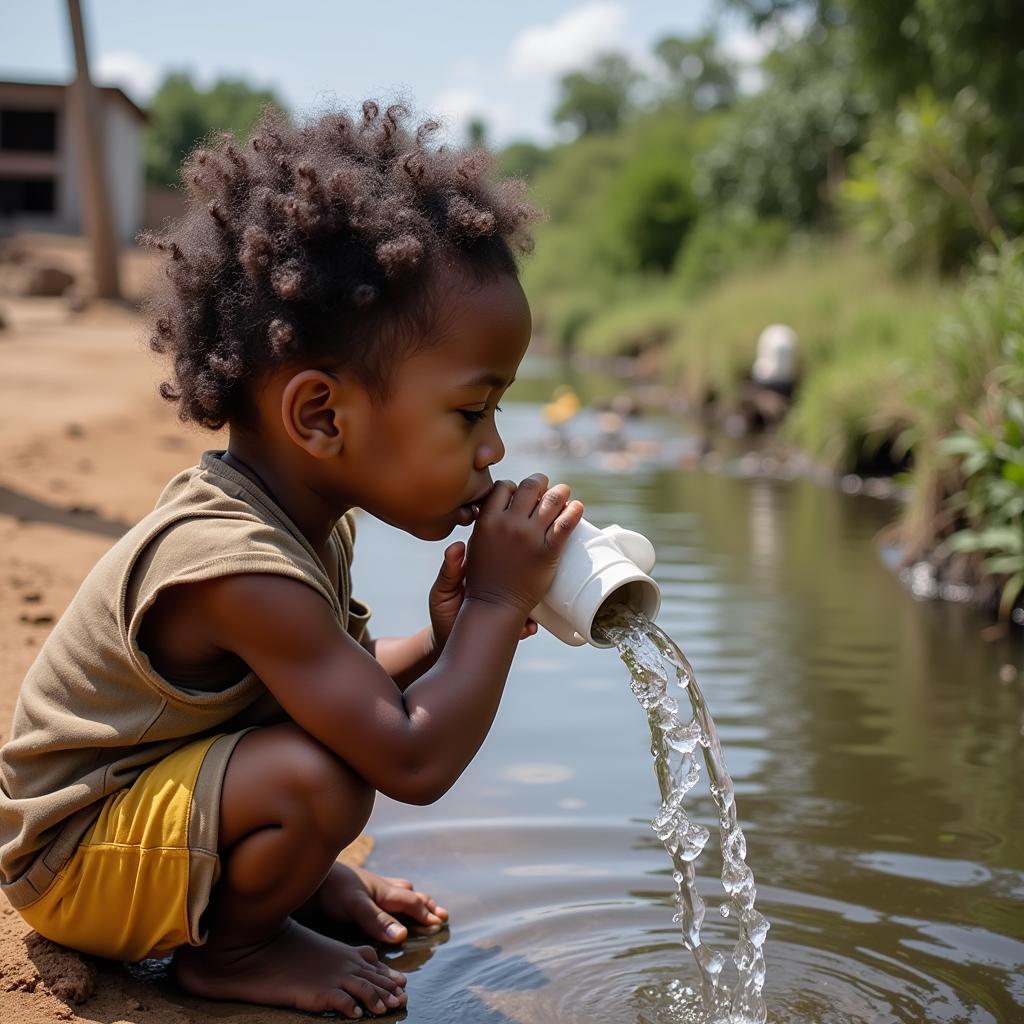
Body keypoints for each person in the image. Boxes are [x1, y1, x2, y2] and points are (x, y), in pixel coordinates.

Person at [0, 101, 584, 1019]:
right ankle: (235, 950)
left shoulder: (304, 523)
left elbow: (343, 685)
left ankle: (288, 889)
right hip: (72, 861)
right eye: (471, 412)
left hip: (149, 812)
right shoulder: (238, 563)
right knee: (325, 777)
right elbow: (410, 759)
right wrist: (498, 606)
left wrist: (438, 643)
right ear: (320, 416)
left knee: (323, 743)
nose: (494, 451)